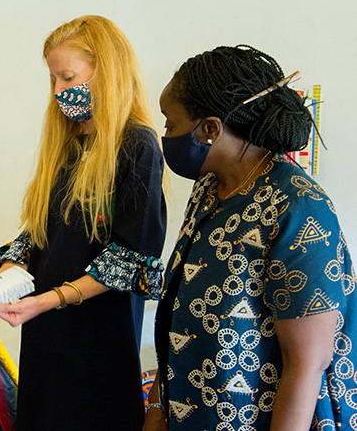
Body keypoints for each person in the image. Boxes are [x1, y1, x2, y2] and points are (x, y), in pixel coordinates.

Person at [147, 45, 354, 430]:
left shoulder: (298, 209)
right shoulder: (209, 190)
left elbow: (307, 364)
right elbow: (177, 308)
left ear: (210, 129)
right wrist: (157, 412)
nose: (165, 136)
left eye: (170, 124)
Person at [0, 15, 168, 431]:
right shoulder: (67, 144)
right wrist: (4, 279)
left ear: (107, 71)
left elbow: (128, 260)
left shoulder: (137, 146)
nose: (57, 91)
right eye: (53, 79)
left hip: (98, 341)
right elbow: (40, 234)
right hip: (45, 332)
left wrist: (47, 300)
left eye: (67, 78)